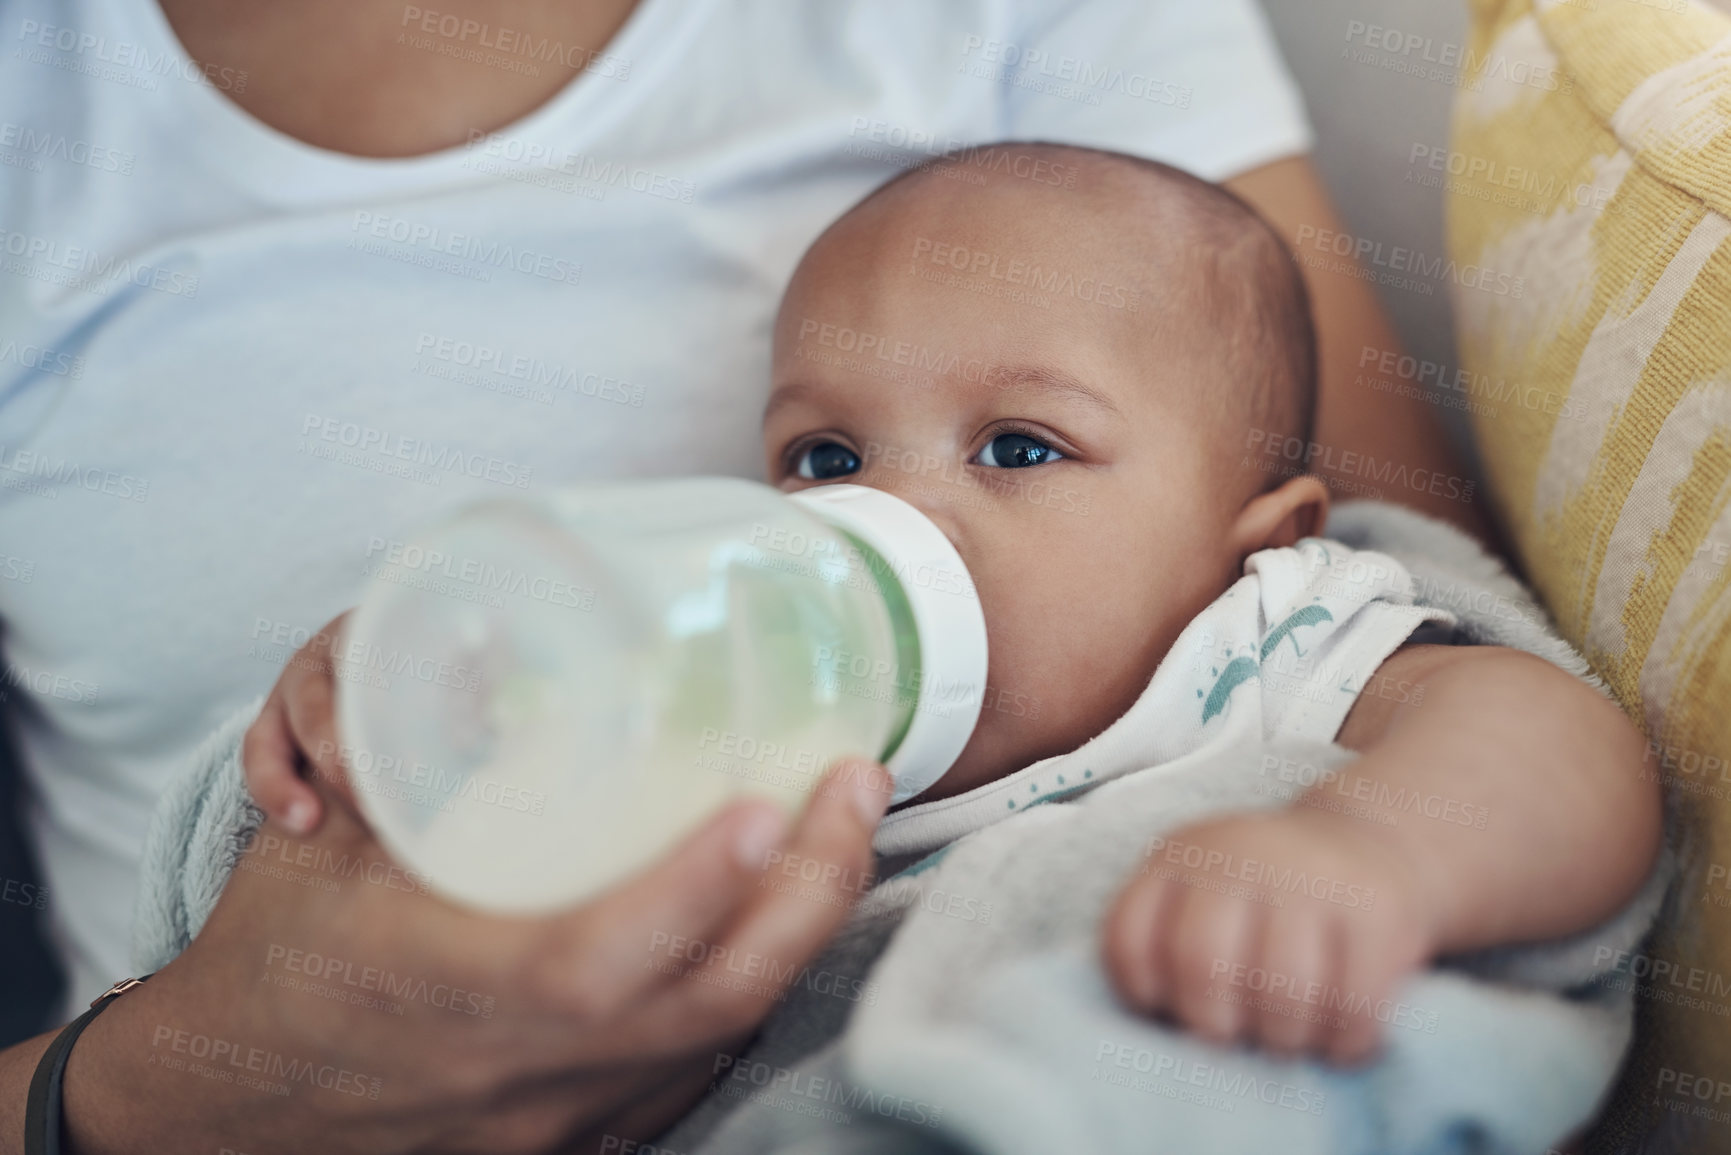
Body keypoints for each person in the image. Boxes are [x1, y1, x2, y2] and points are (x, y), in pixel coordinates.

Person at [0, 0, 1499, 1150]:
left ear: (1262, 540)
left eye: (1022, 449)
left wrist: (1372, 855)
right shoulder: (751, 710)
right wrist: (160, 1080)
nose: (893, 513)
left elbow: (1521, 720)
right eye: (825, 463)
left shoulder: (1266, 640)